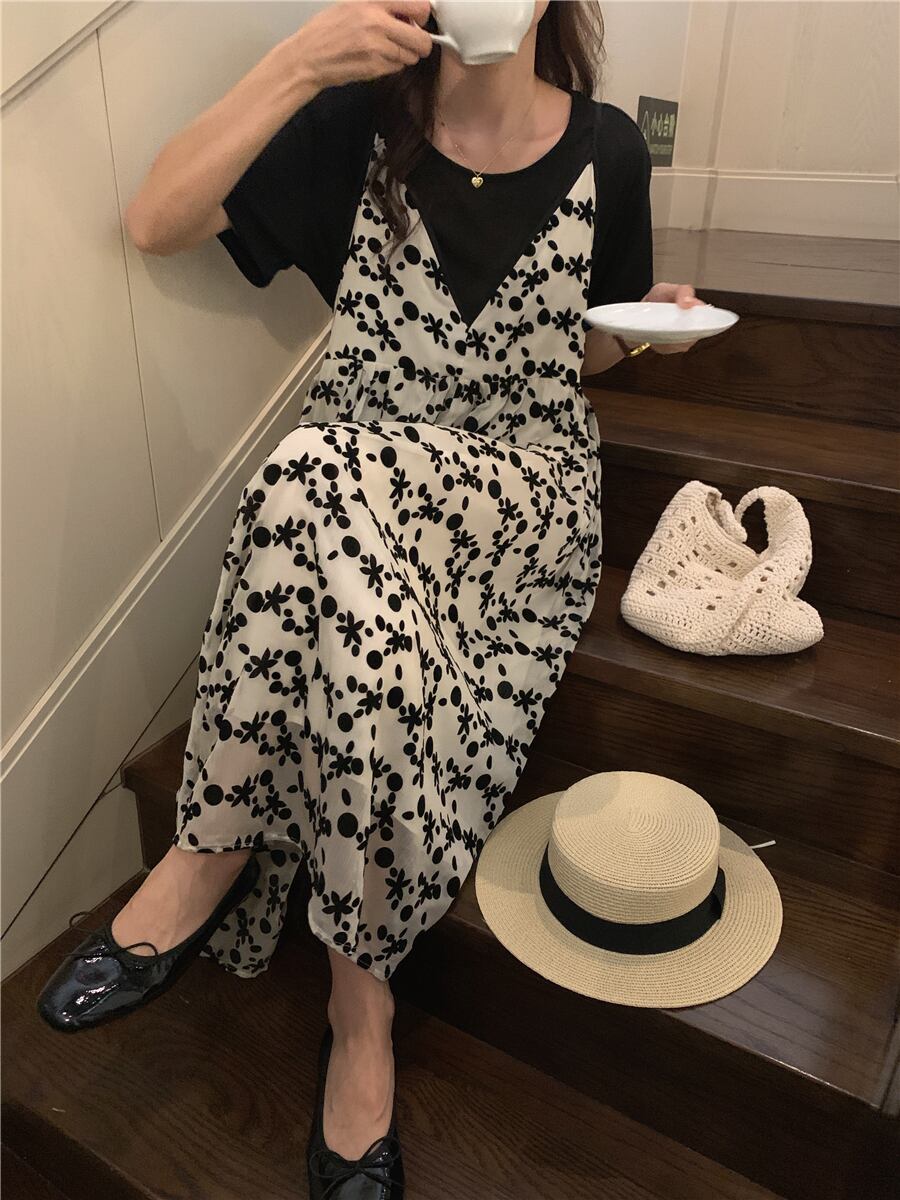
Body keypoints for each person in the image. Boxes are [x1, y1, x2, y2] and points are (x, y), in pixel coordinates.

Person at [36, 2, 704, 1194]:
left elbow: (586, 347)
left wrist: (654, 332)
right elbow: (155, 220)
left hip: (519, 506)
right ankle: (362, 1005)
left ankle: (209, 845)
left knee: (308, 469)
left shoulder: (607, 146)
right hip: (350, 506)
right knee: (358, 606)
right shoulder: (357, 126)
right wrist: (301, 60)